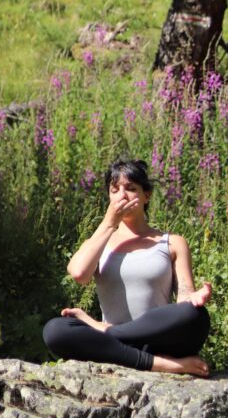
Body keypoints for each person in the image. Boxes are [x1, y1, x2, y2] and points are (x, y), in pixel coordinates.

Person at [43, 159, 212, 375]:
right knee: (55, 330)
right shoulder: (101, 241)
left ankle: (110, 331)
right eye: (115, 190)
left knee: (195, 316)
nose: (122, 195)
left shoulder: (172, 242)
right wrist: (108, 223)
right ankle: (162, 365)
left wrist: (194, 298)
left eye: (131, 189)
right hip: (114, 349)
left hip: (157, 340)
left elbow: (184, 293)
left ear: (146, 195)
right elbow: (79, 273)